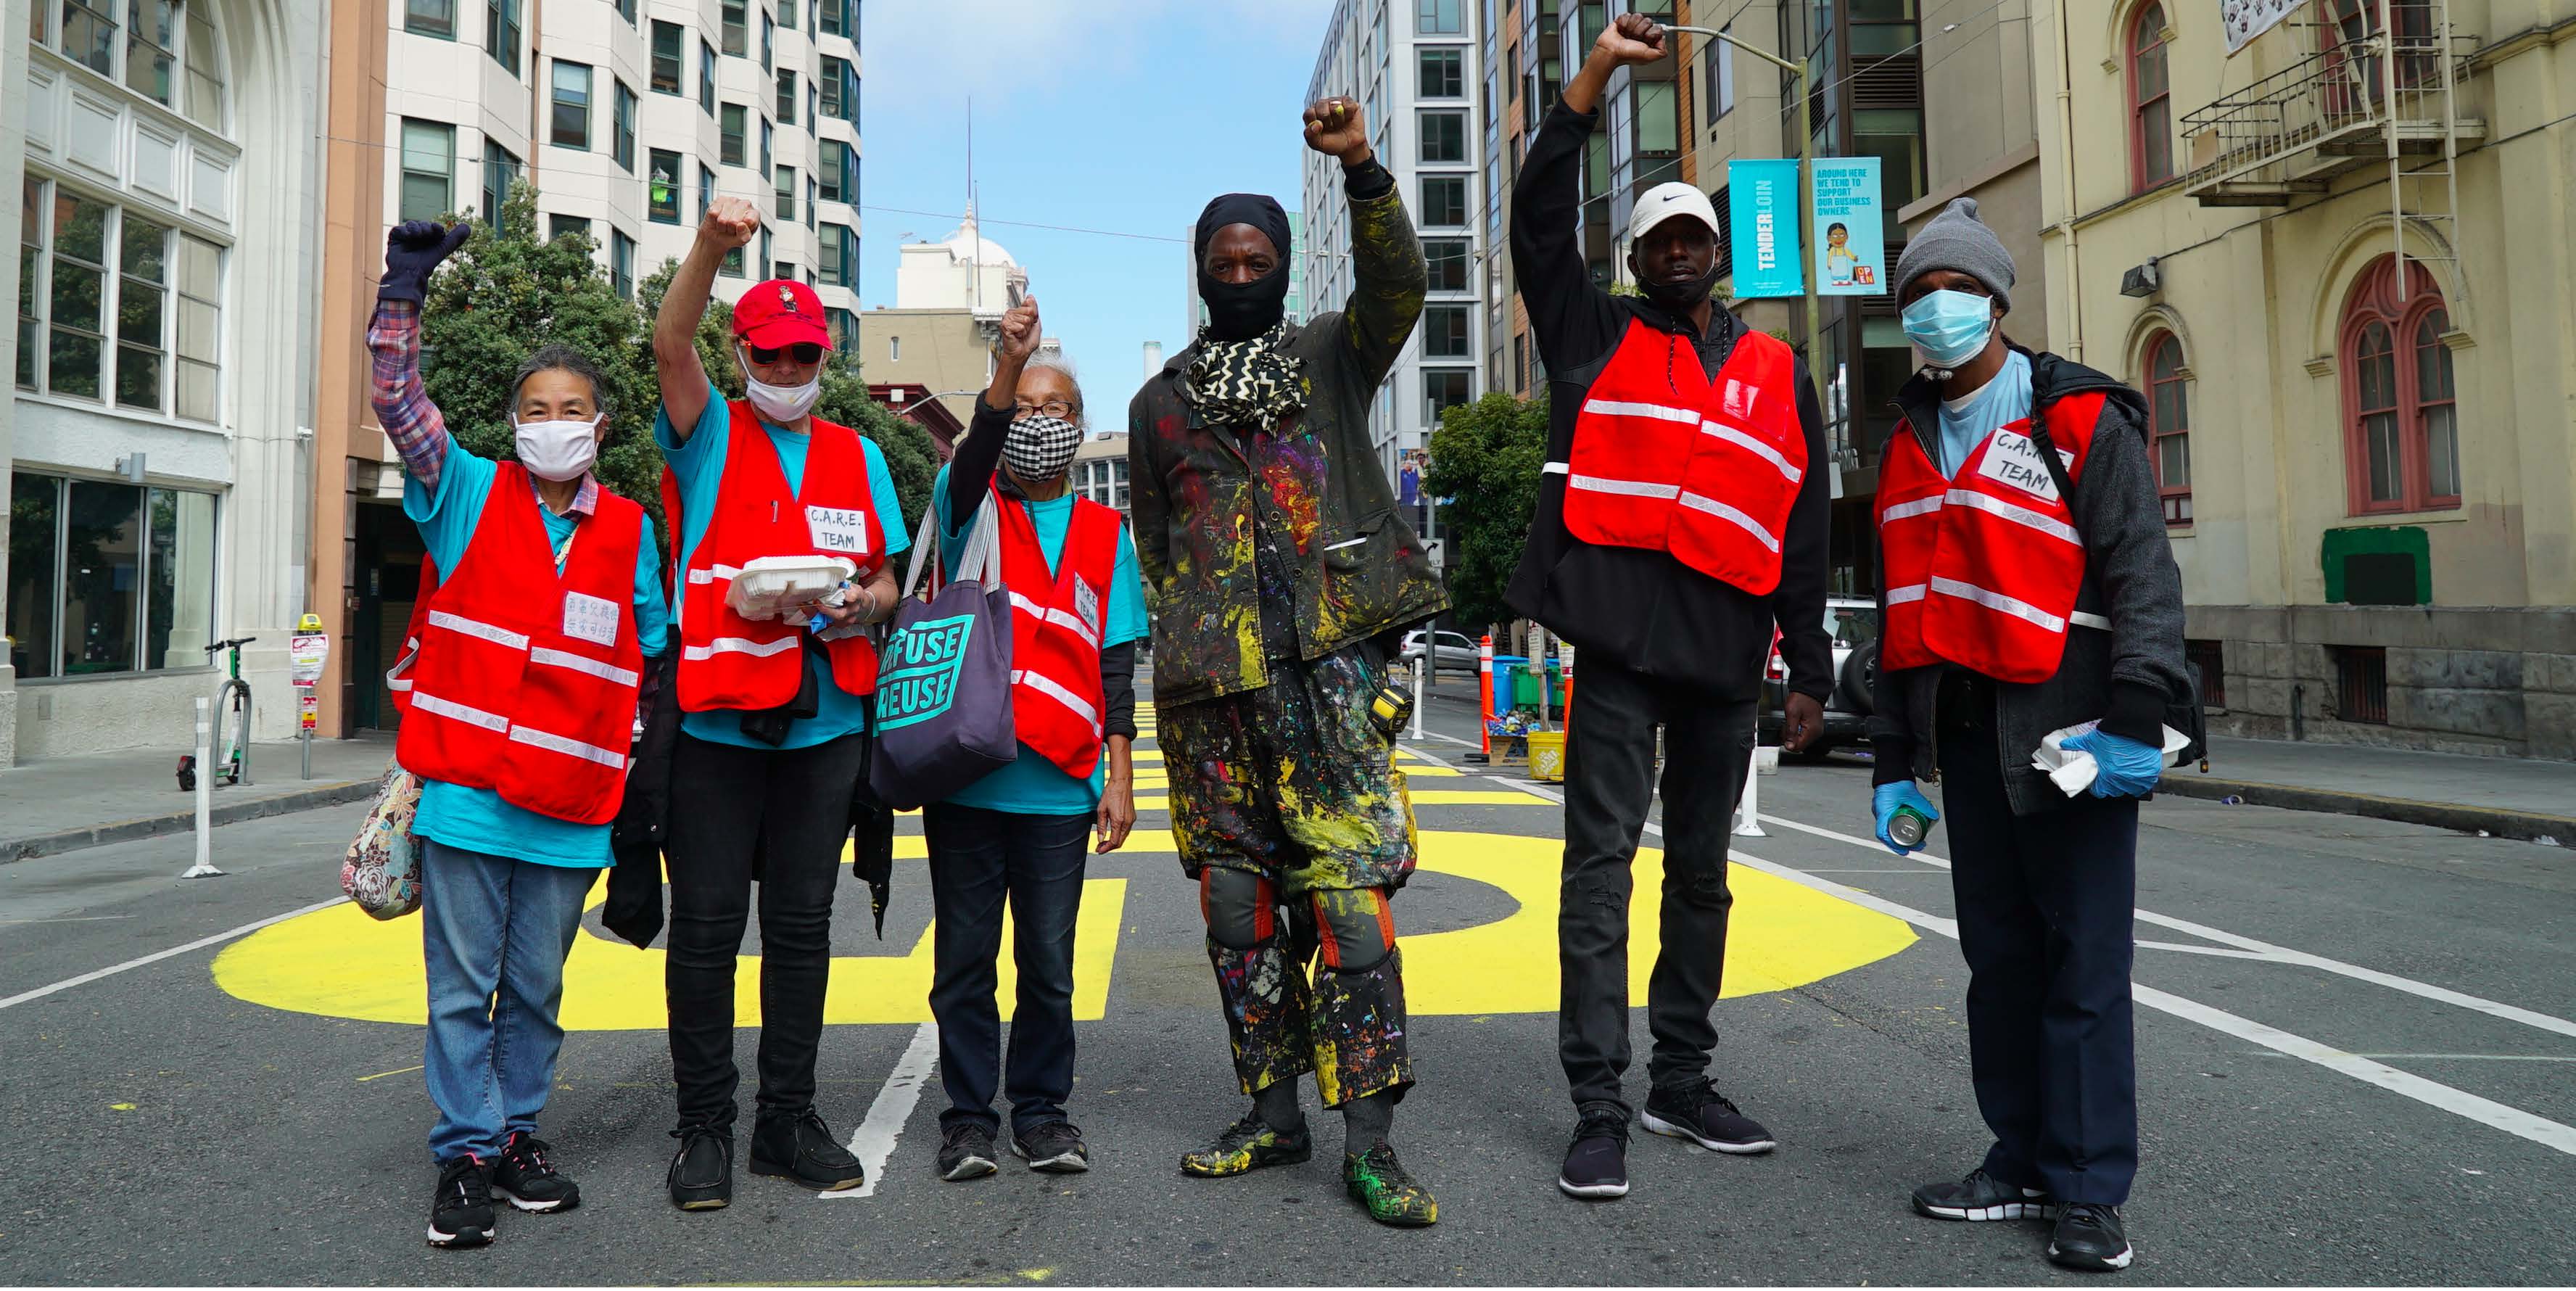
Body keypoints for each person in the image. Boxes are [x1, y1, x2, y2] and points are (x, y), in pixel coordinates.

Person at [1506, 12, 1834, 1203]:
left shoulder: (1777, 373)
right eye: (1659, 238)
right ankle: (1598, 1103)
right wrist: (1590, 80)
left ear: (1717, 252)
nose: (1680, 249)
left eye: (1696, 234)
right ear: (1636, 261)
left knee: (1700, 877)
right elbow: (1538, 219)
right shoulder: (1587, 335)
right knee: (1599, 873)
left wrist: (1808, 670)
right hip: (1617, 652)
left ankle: (1681, 1082)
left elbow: (1802, 520)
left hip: (1726, 659)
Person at [1127, 96, 1446, 1229]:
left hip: (1331, 679)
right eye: (1226, 259)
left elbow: (1401, 285)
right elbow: (1159, 549)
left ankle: (1371, 1143)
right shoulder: (1158, 408)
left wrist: (1361, 166)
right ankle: (1270, 1111)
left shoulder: (1330, 356)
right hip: (1215, 701)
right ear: (1202, 272)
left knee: (1353, 912)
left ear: (1284, 265)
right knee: (1235, 908)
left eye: (1261, 257)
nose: (1244, 272)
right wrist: (1188, 654)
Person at [1868, 197, 2187, 1273]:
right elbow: (1903, 606)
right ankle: (2018, 1163)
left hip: (2074, 732)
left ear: (1999, 300)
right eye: (1918, 292)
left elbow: (2142, 567)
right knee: (1999, 962)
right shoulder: (1908, 434)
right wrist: (1891, 758)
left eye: (1957, 288)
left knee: (2083, 963)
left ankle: (2090, 1190)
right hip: (1965, 734)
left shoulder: (2082, 416)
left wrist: (2142, 706)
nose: (1938, 307)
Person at [367, 221, 670, 1248]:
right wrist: (401, 296)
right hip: (465, 798)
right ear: (511, 424)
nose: (553, 424)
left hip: (573, 810)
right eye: (535, 410)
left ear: (600, 423)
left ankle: (518, 1137)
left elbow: (648, 658)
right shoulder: (467, 492)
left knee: (535, 988)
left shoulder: (630, 529)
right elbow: (399, 408)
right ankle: (463, 1151)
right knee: (460, 989)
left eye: (571, 409)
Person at [649, 196, 907, 1210]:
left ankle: (785, 1120)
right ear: (743, 353)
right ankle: (703, 1128)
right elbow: (670, 340)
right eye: (773, 357)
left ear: (822, 361)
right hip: (716, 726)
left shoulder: (861, 454)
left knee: (802, 929)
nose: (790, 374)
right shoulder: (707, 432)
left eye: (805, 358)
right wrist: (713, 245)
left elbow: (886, 580)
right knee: (708, 928)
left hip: (825, 726)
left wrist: (862, 605)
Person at [922, 295, 1147, 1183]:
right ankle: (969, 1119)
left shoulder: (1104, 531)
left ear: (1081, 427)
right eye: (1027, 408)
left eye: (1058, 409)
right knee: (965, 963)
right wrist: (1007, 368)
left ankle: (1043, 1112)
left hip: (1060, 785)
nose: (1041, 421)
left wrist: (1118, 774)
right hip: (969, 777)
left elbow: (1117, 664)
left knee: (1049, 967)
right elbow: (976, 449)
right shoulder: (965, 504)